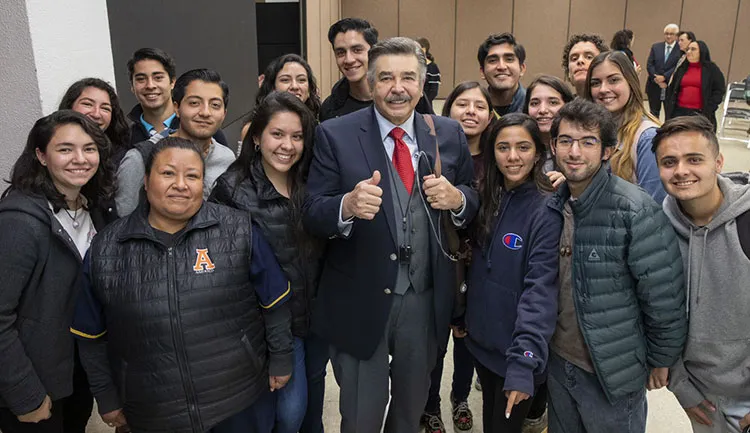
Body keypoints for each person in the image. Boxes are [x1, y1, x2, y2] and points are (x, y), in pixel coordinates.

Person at [303, 37, 479, 433]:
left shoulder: (447, 134)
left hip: (424, 298)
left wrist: (457, 199)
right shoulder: (335, 134)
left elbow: (473, 196)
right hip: (359, 298)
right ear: (370, 83)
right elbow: (312, 211)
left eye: (408, 78)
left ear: (422, 83)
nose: (397, 87)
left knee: (411, 409)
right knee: (361, 415)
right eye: (385, 78)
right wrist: (345, 206)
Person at [71, 137, 294, 433]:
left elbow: (275, 303)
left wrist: (281, 358)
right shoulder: (106, 249)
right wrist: (106, 396)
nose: (181, 184)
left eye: (192, 176)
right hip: (154, 410)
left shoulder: (238, 230)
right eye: (167, 174)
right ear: (146, 182)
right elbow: (90, 337)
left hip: (238, 399)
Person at [546, 98, 687, 433]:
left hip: (611, 370)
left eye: (588, 142)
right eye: (565, 141)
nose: (574, 152)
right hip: (558, 361)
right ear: (553, 146)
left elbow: (663, 294)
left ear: (608, 150)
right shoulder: (552, 206)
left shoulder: (634, 210)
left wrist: (661, 358)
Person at [210, 91, 321, 433]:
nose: (287, 145)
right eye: (277, 134)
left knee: (299, 413)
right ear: (256, 137)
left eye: (297, 136)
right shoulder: (232, 189)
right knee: (284, 413)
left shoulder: (313, 183)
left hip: (312, 319)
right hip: (264, 325)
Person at [0, 110, 115, 433]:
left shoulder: (95, 211)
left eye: (89, 148)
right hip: (34, 383)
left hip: (76, 374)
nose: (80, 159)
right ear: (40, 155)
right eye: (65, 149)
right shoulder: (19, 221)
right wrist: (25, 395)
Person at [464, 113, 561, 433]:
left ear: (538, 153)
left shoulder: (546, 210)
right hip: (483, 345)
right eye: (503, 147)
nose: (513, 156)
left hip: (517, 353)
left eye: (523, 147)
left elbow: (541, 291)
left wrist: (523, 365)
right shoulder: (488, 195)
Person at [653, 116, 750, 433]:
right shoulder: (656, 231)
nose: (681, 170)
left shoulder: (746, 221)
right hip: (700, 393)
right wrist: (681, 386)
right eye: (669, 162)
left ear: (718, 162)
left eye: (694, 159)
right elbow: (656, 314)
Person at [420, 81, 494, 433]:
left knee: (467, 339)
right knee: (434, 340)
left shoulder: (501, 153)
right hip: (441, 260)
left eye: (479, 106)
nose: (470, 112)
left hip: (482, 262)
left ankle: (460, 397)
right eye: (462, 104)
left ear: (490, 114)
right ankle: (430, 404)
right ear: (446, 113)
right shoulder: (434, 148)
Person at [116, 68, 236, 216]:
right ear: (177, 108)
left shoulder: (227, 158)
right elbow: (123, 221)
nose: (205, 112)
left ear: (224, 114)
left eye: (215, 105)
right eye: (194, 103)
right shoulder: (141, 158)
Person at [586, 51, 667, 203]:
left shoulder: (648, 138)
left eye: (613, 80)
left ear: (630, 82)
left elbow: (653, 209)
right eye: (595, 83)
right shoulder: (596, 133)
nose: (603, 89)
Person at [320, 18, 433, 122]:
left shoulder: (406, 94)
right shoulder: (331, 108)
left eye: (357, 50)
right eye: (341, 52)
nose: (349, 59)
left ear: (373, 52)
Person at [125, 48, 228, 146]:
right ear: (132, 86)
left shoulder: (202, 125)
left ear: (173, 82)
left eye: (158, 78)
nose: (150, 85)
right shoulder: (126, 137)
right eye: (141, 79)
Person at [240, 54, 322, 142]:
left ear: (309, 89)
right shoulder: (252, 129)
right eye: (285, 80)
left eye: (301, 80)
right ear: (272, 88)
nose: (294, 86)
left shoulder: (320, 127)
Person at [59, 78, 132, 165]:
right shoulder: (49, 146)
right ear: (69, 106)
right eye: (87, 104)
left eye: (105, 108)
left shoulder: (123, 159)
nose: (96, 114)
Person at [524, 74, 574, 190]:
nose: (542, 110)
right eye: (535, 103)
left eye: (553, 102)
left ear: (568, 106)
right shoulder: (518, 150)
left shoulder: (580, 149)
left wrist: (573, 183)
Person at [665, 40, 726, 131]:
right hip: (679, 111)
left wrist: (711, 106)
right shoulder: (682, 68)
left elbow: (719, 90)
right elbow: (672, 87)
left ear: (701, 51)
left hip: (700, 113)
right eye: (688, 49)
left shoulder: (711, 69)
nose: (689, 52)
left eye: (693, 49)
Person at [478, 32, 527, 116]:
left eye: (509, 59)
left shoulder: (533, 109)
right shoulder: (472, 112)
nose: (501, 66)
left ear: (522, 69)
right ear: (482, 72)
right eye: (493, 61)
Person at [646, 24, 682, 118]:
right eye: (666, 33)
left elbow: (677, 67)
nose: (668, 36)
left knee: (670, 114)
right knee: (653, 114)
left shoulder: (681, 49)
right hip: (654, 86)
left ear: (676, 35)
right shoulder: (656, 47)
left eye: (671, 34)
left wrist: (665, 77)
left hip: (670, 87)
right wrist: (656, 79)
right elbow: (650, 64)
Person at [416, 37, 442, 103]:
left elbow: (433, 91)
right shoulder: (412, 65)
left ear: (424, 49)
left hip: (425, 104)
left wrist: (424, 101)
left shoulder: (432, 67)